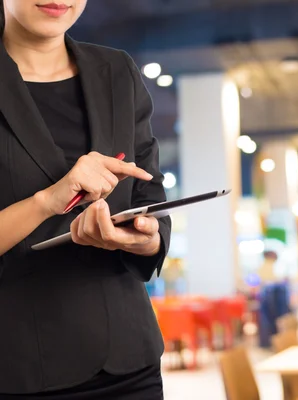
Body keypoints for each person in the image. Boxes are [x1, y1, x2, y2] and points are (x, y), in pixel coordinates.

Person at [0, 1, 171, 398]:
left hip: (130, 361)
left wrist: (147, 238)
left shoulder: (116, 71)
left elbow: (150, 192)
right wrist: (48, 200)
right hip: (20, 368)